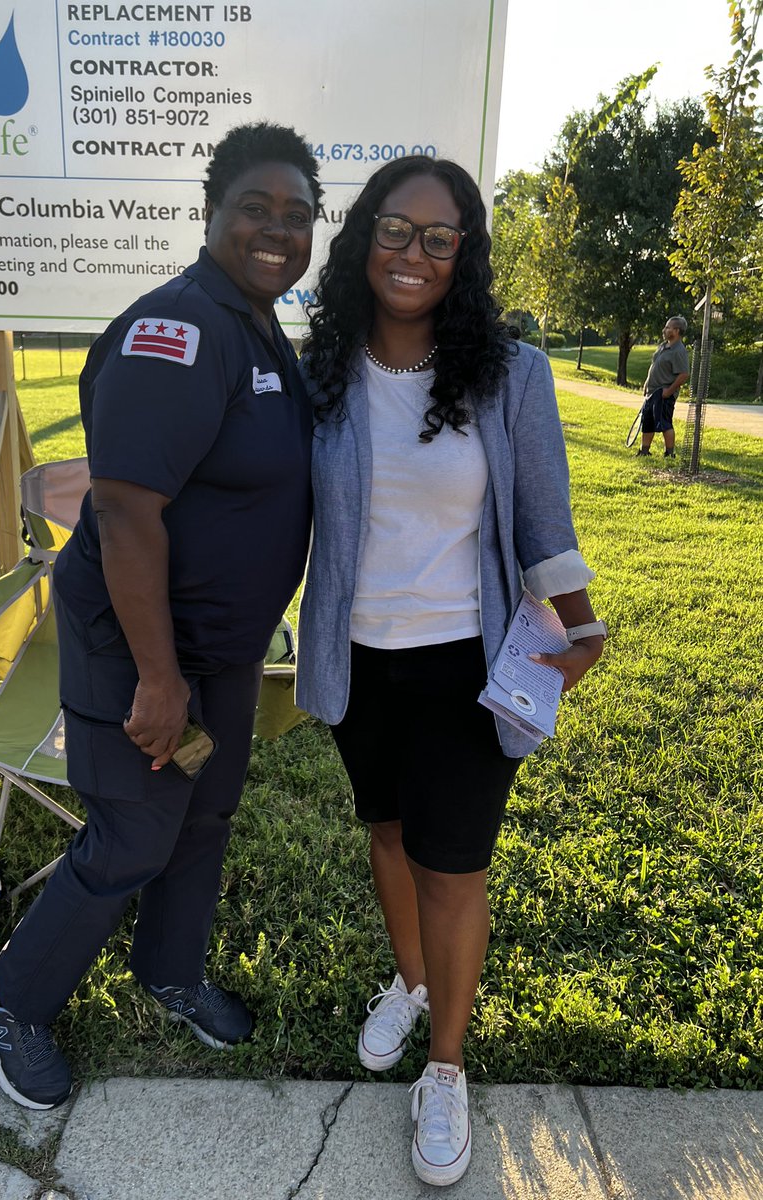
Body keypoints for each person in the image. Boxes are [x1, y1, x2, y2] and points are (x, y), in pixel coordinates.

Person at [0, 122, 322, 1110]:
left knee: (205, 813)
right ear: (210, 212)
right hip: (140, 646)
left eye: (298, 215)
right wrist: (159, 679)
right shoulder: (177, 330)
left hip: (223, 649)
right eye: (255, 207)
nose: (278, 229)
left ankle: (169, 972)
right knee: (134, 832)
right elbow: (125, 514)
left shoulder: (261, 326)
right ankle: (13, 1001)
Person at [296, 157, 605, 1187]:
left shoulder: (510, 373)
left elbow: (544, 521)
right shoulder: (324, 369)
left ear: (462, 252)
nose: (413, 253)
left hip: (468, 665)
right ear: (364, 237)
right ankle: (413, 981)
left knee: (453, 866)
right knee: (387, 833)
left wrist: (584, 625)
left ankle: (446, 1067)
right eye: (395, 229)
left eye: (439, 237)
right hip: (356, 661)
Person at [637, 316, 690, 457]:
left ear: (676, 331)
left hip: (663, 393)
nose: (664, 330)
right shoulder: (663, 346)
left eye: (667, 328)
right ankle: (644, 451)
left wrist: (669, 391)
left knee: (665, 423)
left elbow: (684, 374)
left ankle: (669, 453)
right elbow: (654, 365)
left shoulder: (679, 351)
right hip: (652, 391)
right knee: (647, 421)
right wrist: (647, 383)